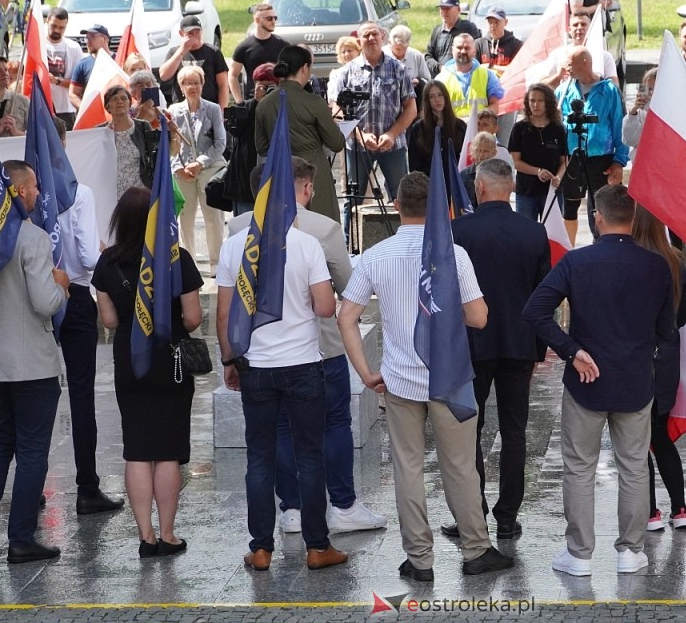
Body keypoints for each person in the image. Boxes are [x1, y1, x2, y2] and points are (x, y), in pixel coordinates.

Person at [338, 172, 514, 582]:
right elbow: (479, 317)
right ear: (439, 208)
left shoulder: (375, 256)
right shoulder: (454, 254)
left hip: (399, 379)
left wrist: (366, 372)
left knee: (408, 468)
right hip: (449, 377)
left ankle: (419, 559)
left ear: (397, 205)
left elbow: (346, 317)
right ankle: (475, 549)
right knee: (460, 467)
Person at [522, 184, 679, 576]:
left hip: (585, 380)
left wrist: (571, 350)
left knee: (579, 468)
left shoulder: (577, 262)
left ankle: (579, 554)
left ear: (598, 217)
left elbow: (535, 311)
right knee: (634, 467)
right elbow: (667, 332)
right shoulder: (658, 265)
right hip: (635, 381)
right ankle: (630, 550)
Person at [226, 157, 388, 537]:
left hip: (258, 350)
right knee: (332, 425)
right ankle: (343, 505)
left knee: (279, 431)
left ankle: (292, 508)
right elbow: (350, 288)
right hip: (319, 346)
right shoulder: (326, 228)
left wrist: (229, 356)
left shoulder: (237, 227)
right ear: (304, 187)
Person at [216, 169, 349, 572]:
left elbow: (224, 314)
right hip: (304, 365)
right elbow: (326, 307)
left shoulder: (234, 245)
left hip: (256, 365)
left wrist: (228, 361)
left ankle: (261, 548)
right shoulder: (306, 244)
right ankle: (317, 546)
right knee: (309, 456)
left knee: (260, 458)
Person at [437, 158, 549, 541]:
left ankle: (475, 512)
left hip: (471, 344)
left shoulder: (458, 231)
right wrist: (539, 349)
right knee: (515, 431)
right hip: (519, 345)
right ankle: (507, 516)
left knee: (471, 429)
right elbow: (542, 298)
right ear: (512, 188)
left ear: (480, 188)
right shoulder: (534, 234)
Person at [92, 188, 203, 557]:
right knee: (167, 450)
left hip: (130, 358)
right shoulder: (177, 259)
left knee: (137, 449)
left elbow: (108, 320)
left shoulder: (107, 262)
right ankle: (169, 534)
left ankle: (145, 536)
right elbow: (192, 317)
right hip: (168, 360)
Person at [0, 161, 68, 563]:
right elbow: (44, 302)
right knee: (30, 451)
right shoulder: (32, 237)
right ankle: (22, 538)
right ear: (22, 192)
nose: (39, 194)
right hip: (30, 361)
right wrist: (62, 288)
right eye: (35, 187)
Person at [53, 128, 125, 517]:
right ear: (63, 143)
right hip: (75, 296)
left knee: (35, 395)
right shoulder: (76, 193)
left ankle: (31, 491)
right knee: (81, 395)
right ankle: (86, 487)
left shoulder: (20, 190)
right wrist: (109, 256)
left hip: (36, 297)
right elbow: (85, 254)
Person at [630, 205, 686, 532]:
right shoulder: (676, 260)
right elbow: (681, 319)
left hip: (637, 358)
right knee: (662, 435)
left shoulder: (632, 259)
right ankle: (680, 508)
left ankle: (651, 511)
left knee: (639, 439)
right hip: (667, 357)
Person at [255, 45, 346, 222]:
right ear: (305, 68)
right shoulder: (314, 102)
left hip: (279, 171)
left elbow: (262, 147)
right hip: (313, 172)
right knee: (320, 228)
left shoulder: (264, 104)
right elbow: (336, 143)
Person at [340, 22, 418, 206]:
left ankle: (402, 235)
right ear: (359, 41)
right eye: (366, 35)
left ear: (383, 36)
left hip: (393, 146)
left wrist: (391, 134)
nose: (371, 38)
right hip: (357, 148)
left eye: (374, 34)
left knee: (401, 200)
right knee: (353, 201)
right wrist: (359, 135)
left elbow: (411, 108)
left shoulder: (398, 69)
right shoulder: (348, 71)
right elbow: (337, 112)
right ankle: (349, 236)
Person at [556, 47, 627, 244]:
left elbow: (619, 126)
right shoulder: (563, 91)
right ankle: (567, 250)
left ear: (584, 62)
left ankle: (602, 246)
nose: (566, 68)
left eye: (570, 64)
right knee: (569, 208)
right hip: (572, 159)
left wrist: (619, 161)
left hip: (601, 160)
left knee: (602, 208)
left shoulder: (609, 90)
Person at [169, 66, 228, 270]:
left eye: (196, 82)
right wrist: (179, 168)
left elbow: (220, 143)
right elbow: (170, 144)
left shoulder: (212, 109)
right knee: (185, 221)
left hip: (209, 170)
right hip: (183, 173)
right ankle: (189, 266)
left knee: (213, 218)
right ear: (181, 87)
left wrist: (200, 162)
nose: (192, 87)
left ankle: (216, 264)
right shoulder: (173, 111)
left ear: (203, 85)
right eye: (187, 83)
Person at [222, 62, 278, 216]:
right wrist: (255, 103)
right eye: (262, 86)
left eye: (270, 86)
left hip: (274, 179)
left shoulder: (283, 108)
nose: (266, 90)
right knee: (245, 227)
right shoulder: (246, 108)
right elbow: (235, 131)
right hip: (245, 182)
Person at [508, 84, 567, 221]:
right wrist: (538, 171)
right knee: (528, 234)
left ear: (548, 102)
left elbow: (564, 161)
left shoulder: (558, 129)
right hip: (527, 191)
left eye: (540, 101)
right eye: (532, 100)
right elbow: (515, 162)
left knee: (553, 234)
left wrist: (558, 177)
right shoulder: (519, 128)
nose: (536, 105)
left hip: (552, 191)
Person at [103, 85, 162, 199]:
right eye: (114, 99)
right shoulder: (100, 132)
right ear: (108, 107)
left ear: (130, 104)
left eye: (124, 98)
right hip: (111, 195)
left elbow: (155, 157)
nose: (119, 101)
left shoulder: (143, 126)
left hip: (140, 192)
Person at [160, 16, 229, 108]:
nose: (195, 36)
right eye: (191, 33)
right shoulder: (174, 52)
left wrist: (222, 110)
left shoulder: (213, 52)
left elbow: (223, 85)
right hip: (182, 107)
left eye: (197, 32)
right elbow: (164, 75)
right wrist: (182, 51)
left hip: (209, 107)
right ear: (181, 33)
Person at [537, 13, 619, 89]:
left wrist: (593, 77)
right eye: (575, 25)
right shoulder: (557, 54)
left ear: (591, 28)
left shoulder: (604, 56)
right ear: (569, 29)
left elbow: (615, 89)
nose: (579, 28)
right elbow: (541, 87)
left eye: (583, 24)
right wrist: (558, 76)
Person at [434, 33, 504, 120]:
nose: (463, 51)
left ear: (474, 51)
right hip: (452, 130)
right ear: (452, 50)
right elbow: (435, 111)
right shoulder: (441, 79)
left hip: (480, 129)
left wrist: (477, 119)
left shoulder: (488, 75)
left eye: (467, 48)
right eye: (459, 48)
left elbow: (495, 106)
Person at [405, 79, 465, 178]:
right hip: (429, 184)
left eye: (440, 95)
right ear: (427, 101)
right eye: (431, 97)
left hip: (455, 181)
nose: (437, 100)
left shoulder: (460, 126)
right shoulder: (418, 129)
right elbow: (414, 165)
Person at [230, 4, 289, 103]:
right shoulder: (244, 47)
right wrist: (239, 101)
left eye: (275, 18)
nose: (273, 21)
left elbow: (293, 73)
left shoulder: (283, 45)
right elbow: (232, 75)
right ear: (257, 20)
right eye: (269, 18)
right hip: (253, 102)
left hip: (279, 100)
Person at [44, 7, 84, 128]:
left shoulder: (74, 48)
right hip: (42, 105)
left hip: (65, 107)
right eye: (53, 26)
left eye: (61, 28)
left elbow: (79, 83)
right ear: (47, 22)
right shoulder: (38, 45)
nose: (57, 30)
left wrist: (57, 81)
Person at [425, 0, 481, 77]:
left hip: (465, 76)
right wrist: (440, 68)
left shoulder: (468, 28)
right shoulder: (437, 31)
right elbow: (428, 57)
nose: (443, 12)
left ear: (458, 10)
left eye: (447, 9)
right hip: (442, 78)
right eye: (442, 9)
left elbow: (477, 52)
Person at [384, 25, 431, 96]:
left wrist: (418, 81)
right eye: (397, 49)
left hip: (413, 98)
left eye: (404, 48)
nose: (401, 52)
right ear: (389, 42)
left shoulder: (416, 56)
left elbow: (428, 81)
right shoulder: (381, 55)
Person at [69, 24, 111, 104]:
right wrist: (85, 111)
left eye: (92, 37)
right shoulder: (82, 65)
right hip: (93, 114)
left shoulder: (119, 60)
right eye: (86, 38)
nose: (88, 42)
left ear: (105, 39)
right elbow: (73, 94)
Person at [474, 7, 523, 74]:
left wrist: (491, 66)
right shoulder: (478, 44)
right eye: (490, 22)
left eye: (497, 22)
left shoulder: (516, 44)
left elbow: (516, 70)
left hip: (507, 82)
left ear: (505, 22)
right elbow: (473, 69)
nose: (493, 26)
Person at [622, 66, 657, 160]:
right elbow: (630, 140)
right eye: (648, 89)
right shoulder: (640, 112)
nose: (650, 93)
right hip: (644, 163)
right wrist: (633, 112)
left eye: (654, 89)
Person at [457, 133, 499, 208]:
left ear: (494, 153)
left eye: (485, 151)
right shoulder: (464, 174)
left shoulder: (499, 174)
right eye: (478, 150)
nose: (481, 154)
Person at [325, 35, 361, 104]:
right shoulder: (335, 74)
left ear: (358, 51)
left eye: (349, 51)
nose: (346, 54)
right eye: (343, 52)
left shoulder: (365, 70)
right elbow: (331, 98)